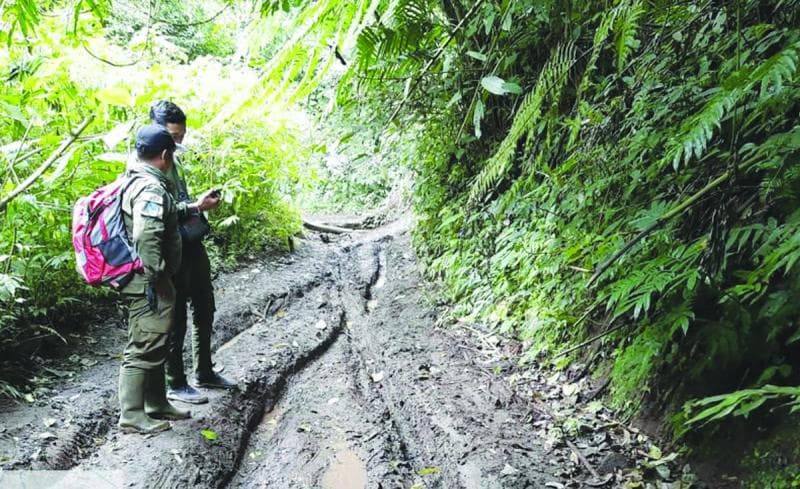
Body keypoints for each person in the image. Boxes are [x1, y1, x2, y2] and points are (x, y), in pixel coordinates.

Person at [149, 101, 236, 405]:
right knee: (177, 318)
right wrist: (196, 206)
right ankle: (176, 382)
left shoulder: (174, 156)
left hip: (190, 242)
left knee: (204, 305)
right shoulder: (146, 163)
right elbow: (157, 211)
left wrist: (197, 206)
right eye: (174, 136)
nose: (179, 142)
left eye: (182, 135)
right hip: (170, 250)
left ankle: (205, 370)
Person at [118, 125, 190, 434]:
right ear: (164, 155)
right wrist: (156, 274)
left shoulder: (135, 180)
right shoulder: (149, 188)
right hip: (147, 282)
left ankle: (157, 403)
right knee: (143, 345)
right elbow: (146, 234)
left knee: (156, 339)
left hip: (145, 279)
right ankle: (132, 415)